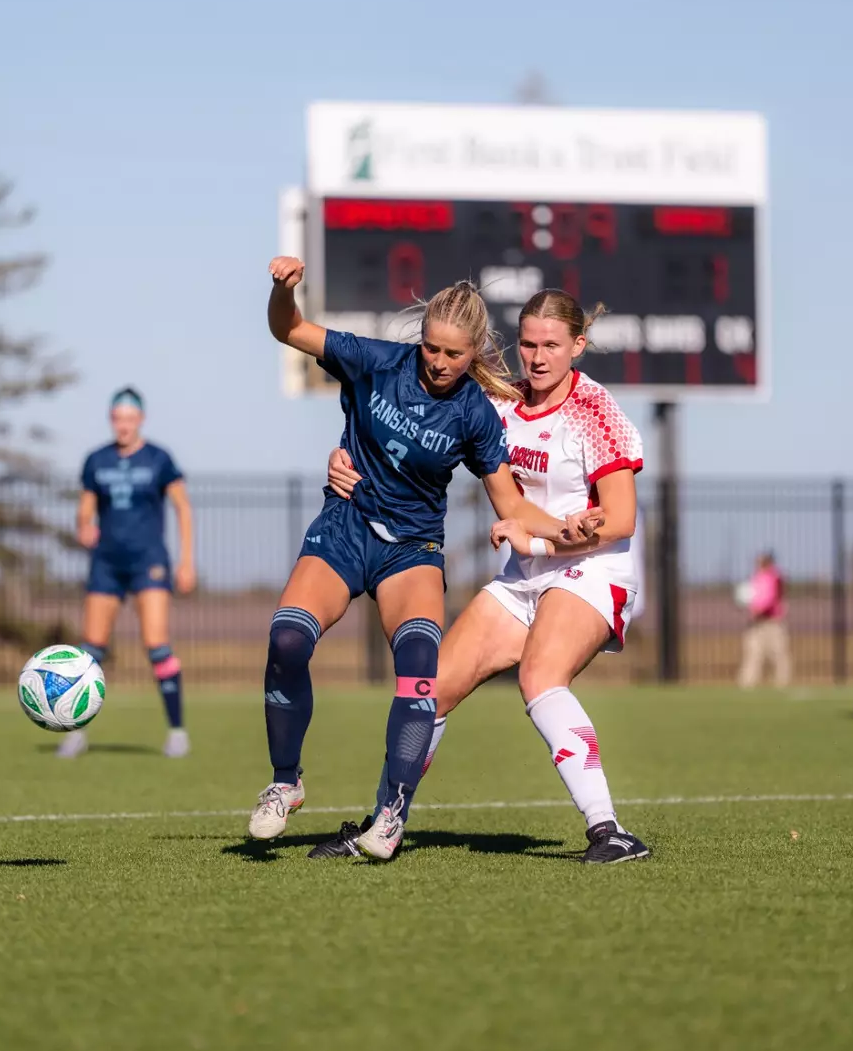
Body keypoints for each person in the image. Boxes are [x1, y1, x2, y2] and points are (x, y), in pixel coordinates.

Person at [249, 257, 601, 860]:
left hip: (412, 550)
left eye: (453, 355)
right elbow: (290, 329)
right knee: (286, 640)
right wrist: (283, 292)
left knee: (419, 674)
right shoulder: (375, 360)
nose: (438, 363)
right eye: (431, 349)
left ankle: (390, 816)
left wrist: (567, 528)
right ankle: (285, 782)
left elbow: (509, 501)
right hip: (345, 527)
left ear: (475, 354)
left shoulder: (475, 414)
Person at [309, 289, 652, 864]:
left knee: (541, 675)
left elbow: (620, 521)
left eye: (552, 345)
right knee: (429, 687)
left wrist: (540, 538)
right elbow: (408, 429)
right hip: (527, 571)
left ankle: (610, 832)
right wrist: (345, 456)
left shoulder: (598, 414)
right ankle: (385, 823)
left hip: (593, 570)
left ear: (578, 346)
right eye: (527, 343)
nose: (537, 357)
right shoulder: (498, 403)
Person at [61, 387, 197, 758]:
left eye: (129, 418)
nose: (122, 425)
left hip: (148, 561)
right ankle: (74, 731)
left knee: (157, 645)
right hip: (106, 562)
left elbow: (183, 508)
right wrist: (84, 525)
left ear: (140, 420)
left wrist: (187, 562)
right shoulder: (96, 460)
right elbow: (85, 509)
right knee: (90, 650)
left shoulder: (159, 459)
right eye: (116, 418)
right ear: (111, 420)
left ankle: (176, 731)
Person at [738, 551, 792, 689]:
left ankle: (782, 683)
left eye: (760, 562)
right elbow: (751, 598)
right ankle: (747, 684)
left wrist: (761, 610)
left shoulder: (776, 577)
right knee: (753, 653)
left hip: (772, 622)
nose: (757, 565)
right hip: (756, 623)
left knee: (778, 654)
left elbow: (772, 597)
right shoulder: (755, 578)